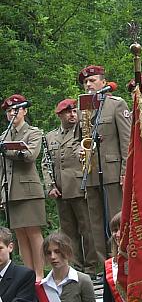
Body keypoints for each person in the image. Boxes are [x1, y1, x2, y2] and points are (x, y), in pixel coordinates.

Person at [78, 64, 131, 277]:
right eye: (85, 82)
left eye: (92, 81)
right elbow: (77, 139)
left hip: (112, 173)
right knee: (95, 224)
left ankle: (122, 262)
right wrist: (79, 152)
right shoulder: (84, 108)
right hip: (91, 173)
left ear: (103, 82)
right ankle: (104, 268)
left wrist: (125, 172)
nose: (89, 85)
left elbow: (127, 141)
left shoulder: (116, 105)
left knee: (116, 221)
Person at [43, 99, 94, 273]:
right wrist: (50, 185)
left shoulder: (84, 133)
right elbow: (46, 163)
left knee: (88, 229)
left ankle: (93, 267)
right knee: (68, 232)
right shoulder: (50, 137)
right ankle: (76, 266)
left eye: (74, 111)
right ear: (59, 115)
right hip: (61, 190)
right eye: (68, 112)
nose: (72, 115)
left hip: (80, 187)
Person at [0, 94, 46, 280]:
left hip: (28, 190)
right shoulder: (3, 136)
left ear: (25, 111)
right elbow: (2, 169)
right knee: (20, 234)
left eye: (16, 110)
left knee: (33, 232)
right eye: (9, 111)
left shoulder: (33, 132)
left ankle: (40, 275)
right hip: (10, 190)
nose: (12, 113)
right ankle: (28, 274)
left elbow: (30, 155)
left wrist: (9, 151)